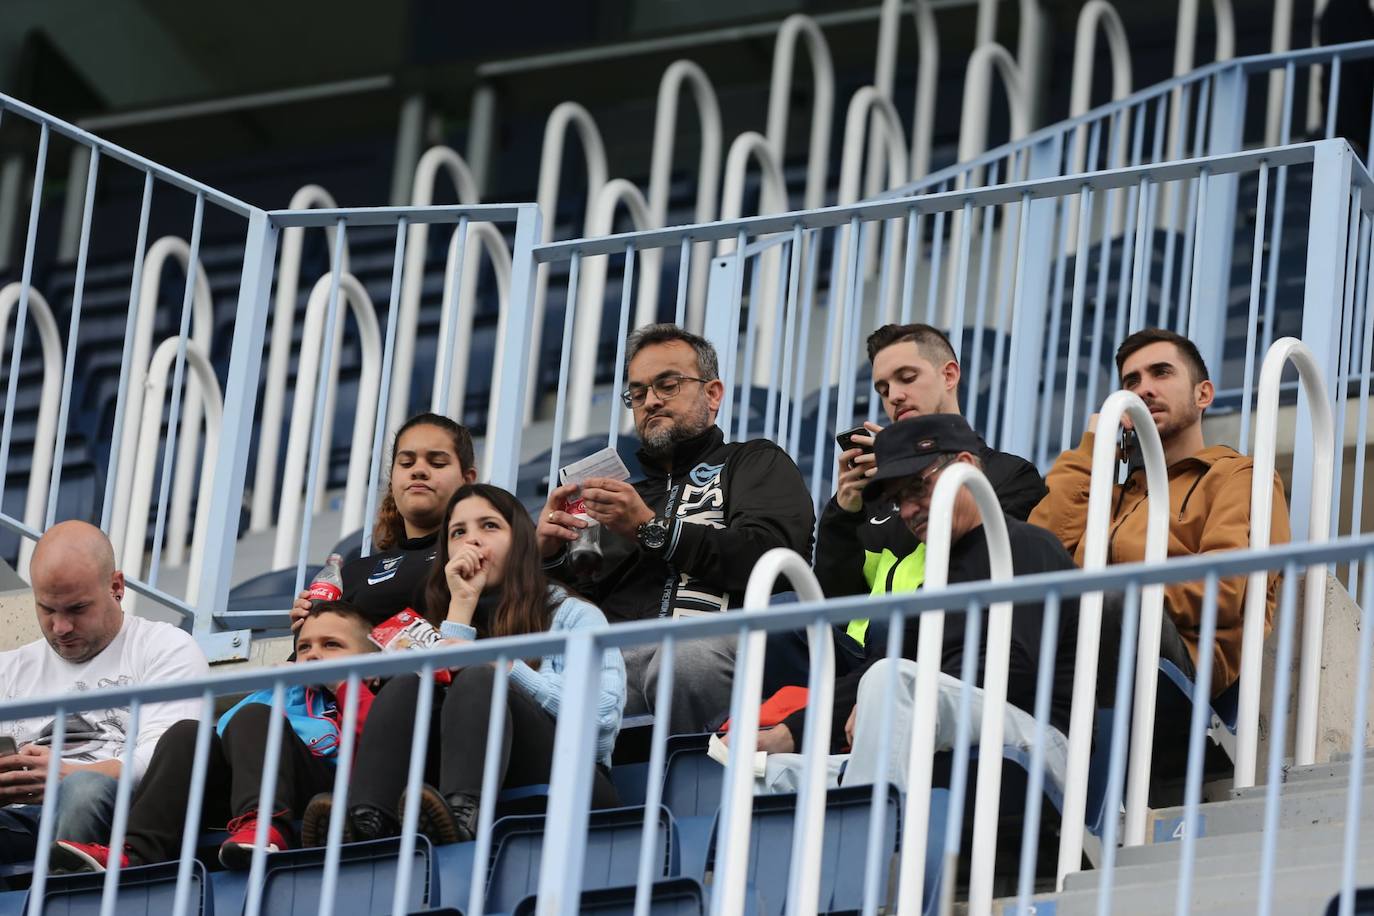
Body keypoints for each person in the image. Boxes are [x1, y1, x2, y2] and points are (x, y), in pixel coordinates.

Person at [733, 415, 1081, 796]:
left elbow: (1011, 672)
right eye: (899, 500)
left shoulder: (1025, 545)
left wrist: (888, 698)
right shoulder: (935, 577)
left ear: (965, 468)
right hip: (945, 743)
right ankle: (862, 824)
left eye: (919, 487)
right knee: (764, 776)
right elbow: (877, 668)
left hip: (1040, 747)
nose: (910, 510)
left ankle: (873, 839)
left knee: (888, 681)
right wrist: (789, 733)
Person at [535, 324, 815, 734]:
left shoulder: (754, 461)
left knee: (682, 657)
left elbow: (772, 557)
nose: (650, 401)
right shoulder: (619, 498)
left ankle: (706, 782)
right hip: (619, 662)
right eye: (638, 393)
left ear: (712, 394)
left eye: (667, 385)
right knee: (528, 690)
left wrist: (652, 530)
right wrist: (549, 557)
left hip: (720, 644)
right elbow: (582, 605)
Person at [308, 484, 625, 845]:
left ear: (520, 541)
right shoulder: (432, 624)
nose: (471, 542)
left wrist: (505, 666)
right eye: (458, 533)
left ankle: (463, 817)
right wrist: (461, 607)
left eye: (489, 526)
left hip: (575, 783)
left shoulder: (572, 614)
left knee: (478, 675)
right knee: (407, 685)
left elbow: (599, 724)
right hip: (450, 783)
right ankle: (366, 824)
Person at [1030, 327, 1292, 698]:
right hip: (1089, 650)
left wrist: (1117, 590)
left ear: (1203, 394)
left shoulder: (1237, 476)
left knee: (1106, 601)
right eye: (1131, 381)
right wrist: (1093, 449)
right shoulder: (1110, 495)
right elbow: (1040, 554)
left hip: (1182, 667)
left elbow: (1225, 590)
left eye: (1161, 373)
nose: (1144, 389)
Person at [46, 601, 378, 872]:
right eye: (304, 647)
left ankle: (266, 826)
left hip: (326, 798)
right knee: (188, 733)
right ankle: (134, 852)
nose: (314, 655)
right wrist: (277, 691)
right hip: (243, 803)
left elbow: (376, 755)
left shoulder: (369, 695)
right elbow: (226, 739)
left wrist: (344, 685)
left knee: (254, 716)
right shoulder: (276, 697)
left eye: (331, 645)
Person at [0, 522, 208, 864]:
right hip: (22, 819)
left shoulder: (165, 648)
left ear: (116, 587)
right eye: (47, 609)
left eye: (77, 609)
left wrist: (68, 773)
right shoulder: (9, 668)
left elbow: (166, 755)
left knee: (82, 791)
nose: (61, 627)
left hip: (123, 818)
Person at [816, 323, 1047, 603]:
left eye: (907, 377)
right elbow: (831, 605)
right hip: (864, 646)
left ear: (949, 375)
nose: (894, 396)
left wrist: (911, 466)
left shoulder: (1011, 476)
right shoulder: (871, 495)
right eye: (883, 388)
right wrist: (844, 512)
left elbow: (982, 569)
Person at [290, 412, 477, 631]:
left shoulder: (477, 554)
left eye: (436, 463)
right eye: (406, 463)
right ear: (393, 479)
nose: (418, 471)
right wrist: (310, 633)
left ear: (467, 480)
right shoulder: (352, 574)